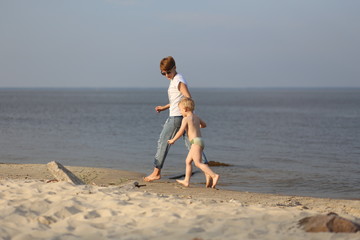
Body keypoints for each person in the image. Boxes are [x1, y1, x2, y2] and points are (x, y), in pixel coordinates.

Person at [144, 56, 210, 183]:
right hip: (182, 116)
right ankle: (207, 172)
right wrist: (164, 107)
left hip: (176, 117)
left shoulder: (178, 80)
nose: (167, 75)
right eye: (164, 73)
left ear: (174, 68)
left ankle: (156, 172)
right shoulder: (175, 79)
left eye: (169, 72)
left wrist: (190, 116)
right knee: (193, 145)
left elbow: (188, 98)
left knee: (163, 141)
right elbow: (177, 101)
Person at [168, 97, 219, 188]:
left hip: (195, 142)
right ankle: (186, 181)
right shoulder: (196, 117)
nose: (180, 112)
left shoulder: (186, 119)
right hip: (199, 141)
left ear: (186, 109)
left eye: (180, 110)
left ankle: (214, 175)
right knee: (188, 161)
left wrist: (173, 140)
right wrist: (196, 127)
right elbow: (204, 125)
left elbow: (180, 131)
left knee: (198, 163)